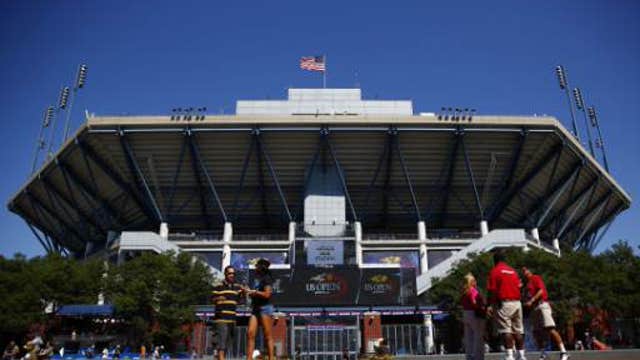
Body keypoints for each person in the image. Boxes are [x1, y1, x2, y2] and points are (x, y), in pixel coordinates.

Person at [486, 249, 526, 360]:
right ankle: (521, 355)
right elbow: (519, 287)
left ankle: (509, 356)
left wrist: (489, 305)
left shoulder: (495, 271)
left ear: (495, 260)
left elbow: (492, 290)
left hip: (504, 303)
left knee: (506, 330)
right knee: (518, 330)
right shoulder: (512, 271)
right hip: (517, 303)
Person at [522, 267, 569, 360]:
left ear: (530, 271)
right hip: (533, 309)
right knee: (536, 332)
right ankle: (543, 354)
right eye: (522, 271)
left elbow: (541, 291)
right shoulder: (526, 285)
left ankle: (564, 352)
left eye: (525, 270)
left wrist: (532, 300)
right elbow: (525, 298)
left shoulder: (535, 278)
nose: (523, 272)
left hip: (542, 305)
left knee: (550, 328)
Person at [212, 265, 245, 360]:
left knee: (227, 345)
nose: (232, 275)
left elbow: (240, 302)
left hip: (232, 319)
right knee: (221, 345)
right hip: (221, 318)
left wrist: (243, 293)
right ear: (225, 274)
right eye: (230, 273)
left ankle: (218, 358)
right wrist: (218, 298)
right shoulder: (218, 285)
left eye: (233, 273)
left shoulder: (237, 287)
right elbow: (211, 299)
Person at [246, 258, 275, 360]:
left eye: (257, 265)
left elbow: (267, 294)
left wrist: (254, 292)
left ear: (261, 267)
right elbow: (255, 293)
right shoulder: (256, 278)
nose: (255, 267)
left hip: (265, 308)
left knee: (268, 335)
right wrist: (248, 292)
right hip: (255, 308)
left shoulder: (267, 278)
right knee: (250, 333)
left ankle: (271, 358)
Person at [461, 273, 486, 360]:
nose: (476, 282)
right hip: (473, 313)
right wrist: (481, 307)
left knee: (468, 336)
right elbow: (474, 302)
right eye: (474, 280)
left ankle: (469, 356)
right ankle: (477, 356)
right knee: (477, 335)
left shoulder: (464, 291)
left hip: (465, 313)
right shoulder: (473, 290)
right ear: (471, 282)